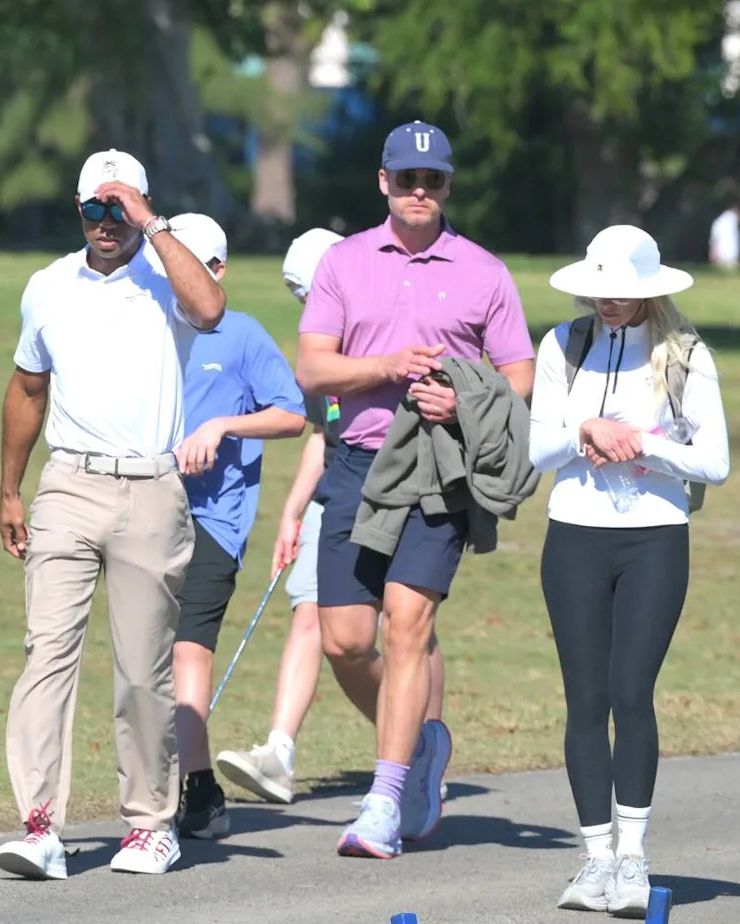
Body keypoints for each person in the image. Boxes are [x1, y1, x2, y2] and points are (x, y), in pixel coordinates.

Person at [295, 121, 535, 859]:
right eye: (407, 180)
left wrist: (462, 401)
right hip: (356, 466)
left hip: (440, 471)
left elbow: (520, 378)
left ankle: (384, 798)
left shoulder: (485, 271)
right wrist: (390, 367)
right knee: (344, 639)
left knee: (407, 627)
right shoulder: (344, 262)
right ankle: (422, 742)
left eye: (432, 181)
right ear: (384, 183)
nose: (420, 192)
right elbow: (313, 368)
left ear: (447, 186)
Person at [0, 149, 226, 879]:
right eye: (96, 207)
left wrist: (152, 223)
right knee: (46, 655)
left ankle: (150, 823)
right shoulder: (47, 287)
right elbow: (28, 388)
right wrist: (9, 487)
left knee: (140, 670)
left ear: (141, 211)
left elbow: (212, 308)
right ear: (78, 209)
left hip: (150, 489)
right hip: (67, 483)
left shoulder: (167, 276)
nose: (106, 222)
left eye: (119, 209)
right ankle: (39, 825)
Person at [529, 225, 730, 916]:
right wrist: (585, 432)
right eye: (598, 290)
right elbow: (538, 450)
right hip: (575, 536)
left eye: (620, 293)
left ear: (648, 290)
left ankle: (634, 859)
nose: (606, 303)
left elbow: (715, 463)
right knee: (584, 699)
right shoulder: (563, 344)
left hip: (654, 540)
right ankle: (595, 860)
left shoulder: (686, 354)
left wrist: (642, 444)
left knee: (629, 691)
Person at [215, 229, 447, 806]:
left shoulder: (398, 320)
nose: (311, 310)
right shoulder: (322, 345)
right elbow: (325, 433)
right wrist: (294, 510)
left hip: (406, 482)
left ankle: (422, 748)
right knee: (315, 614)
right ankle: (281, 751)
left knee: (409, 629)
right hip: (339, 487)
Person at [151, 214, 307, 839]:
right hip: (147, 509)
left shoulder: (241, 335)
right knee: (148, 650)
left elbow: (292, 414)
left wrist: (223, 427)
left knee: (188, 644)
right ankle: (155, 782)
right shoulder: (153, 329)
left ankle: (198, 787)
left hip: (215, 519)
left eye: (191, 268)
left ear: (216, 272)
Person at [709, 203, 740, 270]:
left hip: (726, 253)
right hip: (724, 253)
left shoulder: (721, 221)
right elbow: (716, 239)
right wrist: (714, 252)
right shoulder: (729, 220)